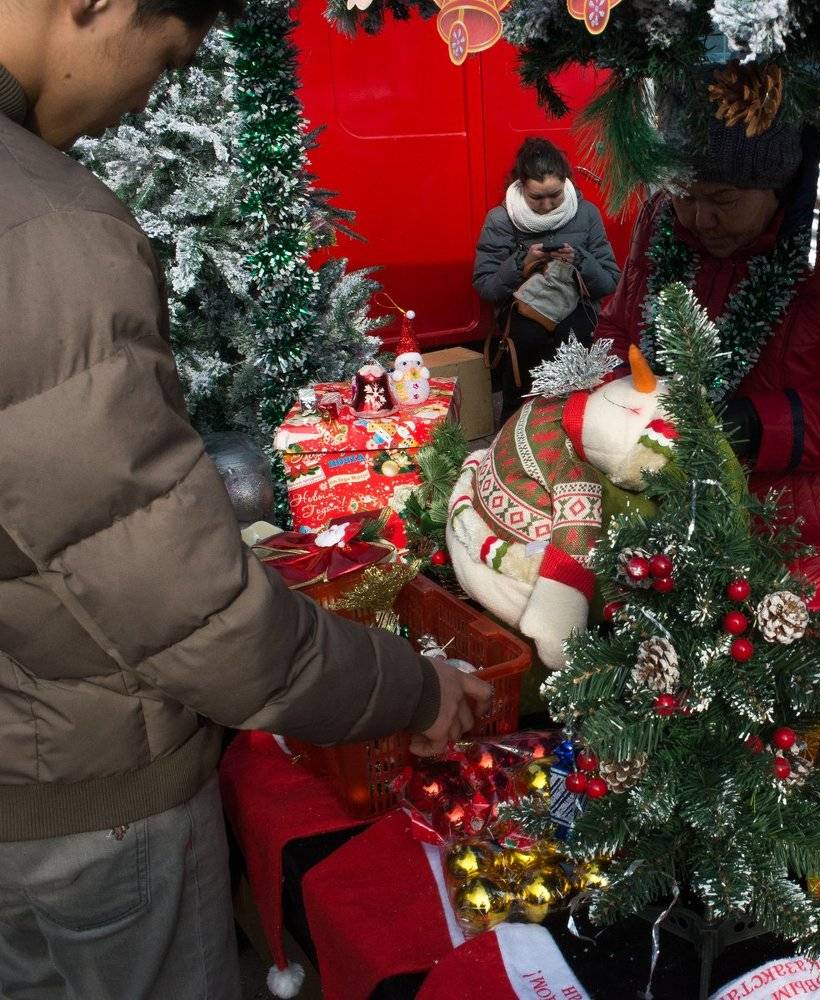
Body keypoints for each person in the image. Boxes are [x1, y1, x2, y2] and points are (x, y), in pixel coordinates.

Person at [0, 2, 490, 996]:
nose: (152, 95)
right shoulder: (43, 227)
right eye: (165, 56)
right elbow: (193, 615)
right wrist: (413, 686)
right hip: (96, 811)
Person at [595, 80, 820, 626]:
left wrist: (757, 424)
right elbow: (619, 326)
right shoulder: (663, 220)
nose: (701, 219)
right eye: (684, 194)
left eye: (724, 200)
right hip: (666, 514)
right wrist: (613, 401)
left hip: (798, 544)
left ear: (776, 182)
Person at [473, 137, 620, 420]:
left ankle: (578, 421)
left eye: (555, 194)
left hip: (576, 306)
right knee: (529, 336)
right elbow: (486, 286)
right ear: (521, 186)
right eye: (537, 198)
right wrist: (521, 262)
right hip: (523, 311)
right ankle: (517, 424)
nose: (547, 204)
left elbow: (609, 281)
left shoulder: (586, 213)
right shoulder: (501, 219)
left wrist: (581, 260)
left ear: (566, 183)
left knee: (574, 335)